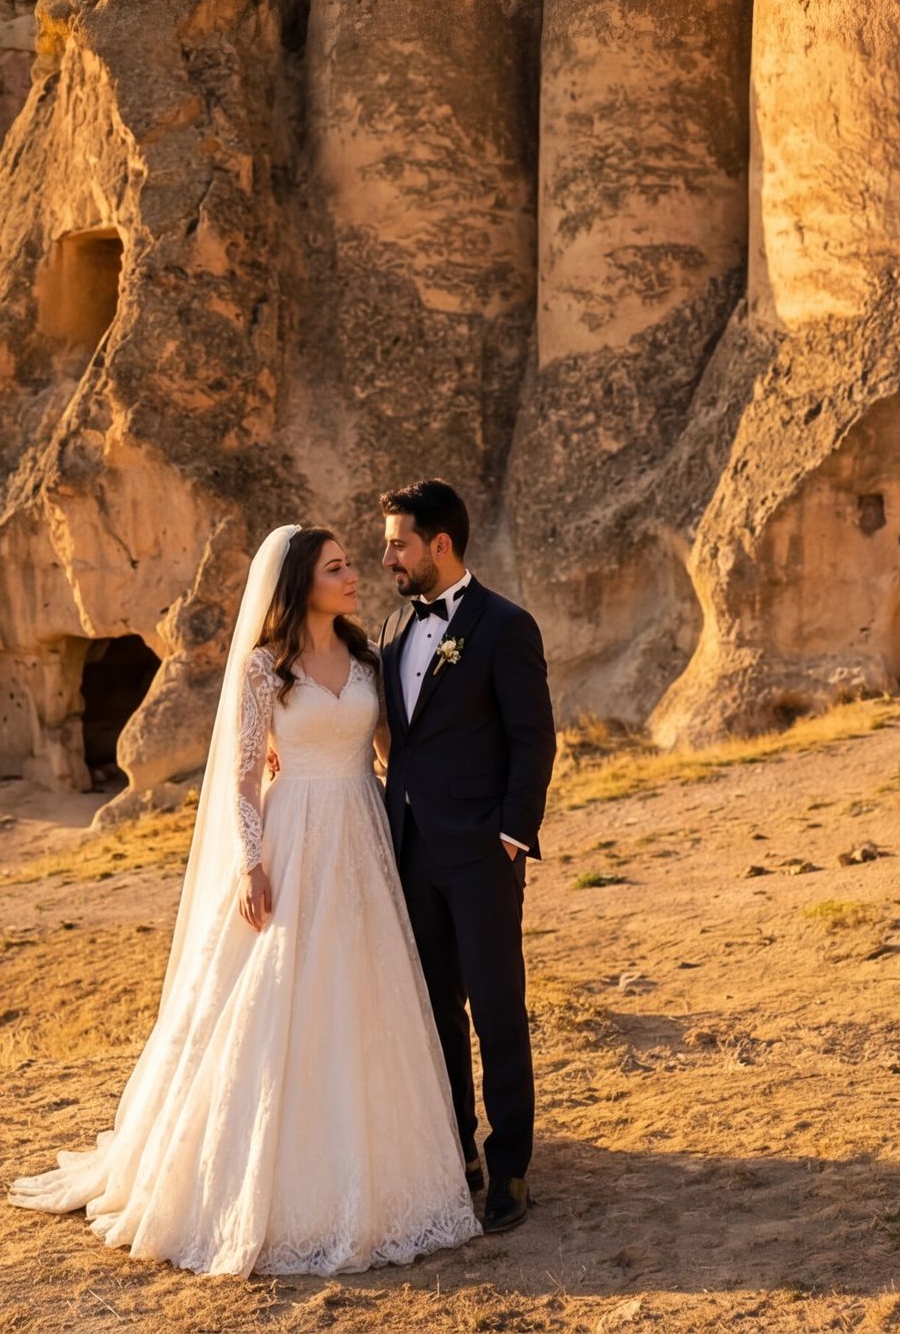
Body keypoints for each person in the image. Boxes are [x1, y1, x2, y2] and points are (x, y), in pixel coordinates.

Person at [11, 525, 481, 1276]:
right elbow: (238, 777)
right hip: (293, 837)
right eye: (337, 567)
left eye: (350, 563)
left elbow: (392, 749)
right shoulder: (265, 668)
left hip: (360, 838)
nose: (355, 574)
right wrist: (250, 864)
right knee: (279, 994)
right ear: (300, 583)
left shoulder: (367, 657)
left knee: (365, 993)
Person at [377, 478, 556, 1235]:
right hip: (410, 850)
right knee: (436, 1010)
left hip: (482, 854)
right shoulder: (392, 625)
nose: (387, 555)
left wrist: (511, 836)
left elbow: (533, 738)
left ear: (438, 544)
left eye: (398, 542)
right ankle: (458, 1149)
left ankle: (509, 1159)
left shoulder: (504, 626)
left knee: (496, 1007)